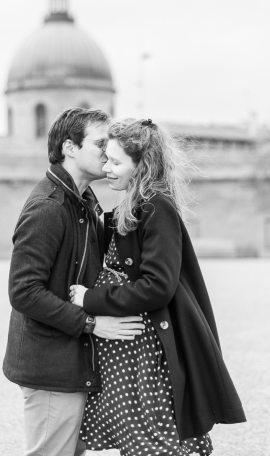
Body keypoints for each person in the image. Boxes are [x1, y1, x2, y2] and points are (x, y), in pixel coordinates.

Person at [70, 118, 246, 456]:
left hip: (146, 356)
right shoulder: (133, 205)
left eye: (116, 162)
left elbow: (158, 287)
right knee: (139, 443)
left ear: (141, 166)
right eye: (106, 158)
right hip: (131, 353)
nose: (107, 167)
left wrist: (90, 299)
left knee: (151, 444)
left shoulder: (156, 207)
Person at [3, 107, 147, 456]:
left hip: (72, 360)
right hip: (51, 364)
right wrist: (91, 323)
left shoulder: (83, 202)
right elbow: (23, 291)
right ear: (69, 147)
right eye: (100, 143)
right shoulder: (49, 207)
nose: (108, 151)